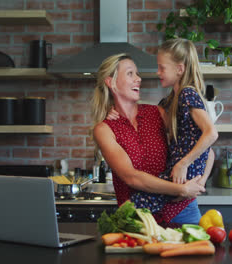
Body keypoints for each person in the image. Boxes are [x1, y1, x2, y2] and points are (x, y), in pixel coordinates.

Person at [92, 53, 213, 225]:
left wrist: (198, 184)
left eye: (137, 73)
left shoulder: (158, 113)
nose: (138, 79)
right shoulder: (104, 129)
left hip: (182, 210)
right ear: (111, 83)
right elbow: (131, 177)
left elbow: (205, 150)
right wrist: (181, 188)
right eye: (130, 73)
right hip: (139, 219)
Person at [128, 38, 218, 222]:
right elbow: (210, 153)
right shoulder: (172, 100)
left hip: (184, 172)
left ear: (179, 69)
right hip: (183, 175)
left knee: (133, 208)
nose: (157, 72)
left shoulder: (188, 94)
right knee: (138, 207)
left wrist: (182, 164)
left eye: (162, 68)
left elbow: (212, 134)